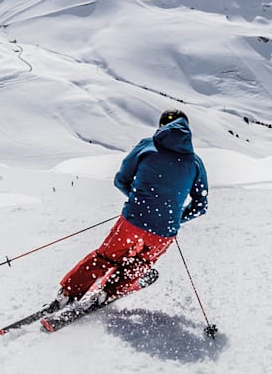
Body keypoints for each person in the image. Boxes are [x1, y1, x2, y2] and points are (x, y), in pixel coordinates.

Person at [50, 108, 209, 311]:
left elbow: (120, 180)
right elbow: (200, 205)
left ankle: (68, 293)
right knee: (142, 262)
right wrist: (175, 216)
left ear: (162, 126)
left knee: (106, 257)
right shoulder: (195, 162)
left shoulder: (148, 146)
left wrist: (140, 201)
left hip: (133, 220)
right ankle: (109, 291)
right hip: (164, 231)